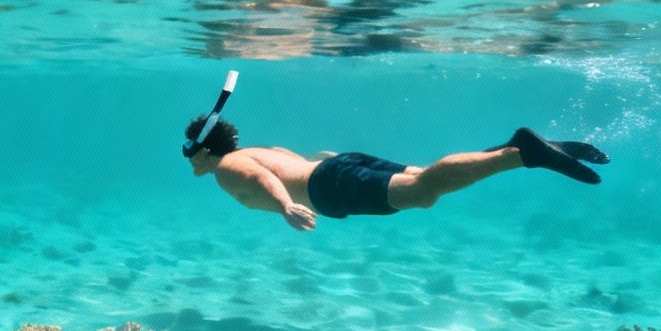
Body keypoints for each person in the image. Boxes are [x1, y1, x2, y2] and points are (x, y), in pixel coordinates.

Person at [183, 116, 607, 232]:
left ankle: (522, 154)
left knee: (422, 192)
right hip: (335, 168)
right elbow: (292, 162)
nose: (188, 159)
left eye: (188, 150)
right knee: (425, 178)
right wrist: (336, 165)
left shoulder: (227, 166)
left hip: (328, 188)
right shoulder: (260, 148)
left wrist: (285, 207)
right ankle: (514, 147)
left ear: (205, 149)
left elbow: (264, 181)